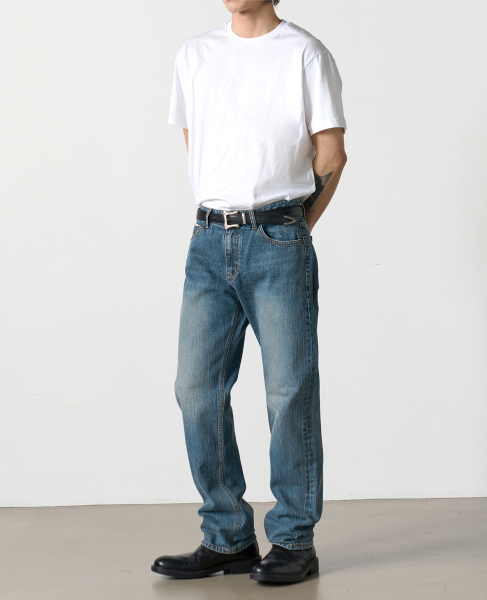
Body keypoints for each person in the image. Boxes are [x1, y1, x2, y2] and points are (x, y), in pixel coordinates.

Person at [151, 0, 347, 584]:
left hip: (278, 236)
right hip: (208, 240)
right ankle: (228, 536)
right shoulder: (195, 54)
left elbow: (331, 154)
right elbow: (198, 141)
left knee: (289, 391)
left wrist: (294, 228)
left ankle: (293, 539)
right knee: (196, 390)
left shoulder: (305, 53)